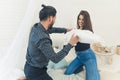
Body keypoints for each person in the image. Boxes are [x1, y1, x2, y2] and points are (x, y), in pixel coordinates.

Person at [24, 4, 79, 80]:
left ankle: (28, 77)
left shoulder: (36, 27)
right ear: (50, 18)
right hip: (36, 72)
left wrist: (66, 30)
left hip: (27, 67)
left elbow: (52, 29)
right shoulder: (42, 38)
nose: (55, 20)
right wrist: (70, 44)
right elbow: (55, 58)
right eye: (55, 18)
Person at [64, 10, 100, 80]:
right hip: (79, 57)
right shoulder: (76, 30)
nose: (80, 21)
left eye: (83, 20)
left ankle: (92, 68)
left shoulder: (87, 32)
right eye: (79, 19)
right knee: (67, 73)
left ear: (86, 21)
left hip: (88, 57)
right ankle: (82, 67)